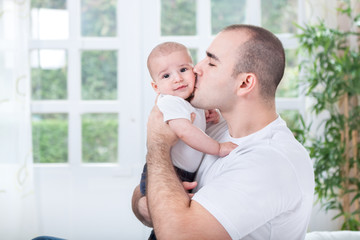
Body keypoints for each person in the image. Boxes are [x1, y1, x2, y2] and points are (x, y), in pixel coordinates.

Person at [132, 24, 315, 240]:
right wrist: (147, 204)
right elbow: (143, 193)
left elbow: (176, 235)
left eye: (211, 62)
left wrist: (158, 145)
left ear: (245, 83)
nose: (196, 69)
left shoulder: (270, 161)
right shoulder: (213, 127)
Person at [140, 41, 237, 198]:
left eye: (183, 69)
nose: (177, 78)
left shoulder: (188, 101)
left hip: (184, 172)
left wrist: (209, 116)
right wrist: (217, 148)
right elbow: (185, 131)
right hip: (169, 171)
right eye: (166, 76)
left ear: (194, 70)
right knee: (170, 213)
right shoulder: (170, 101)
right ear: (156, 87)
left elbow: (195, 122)